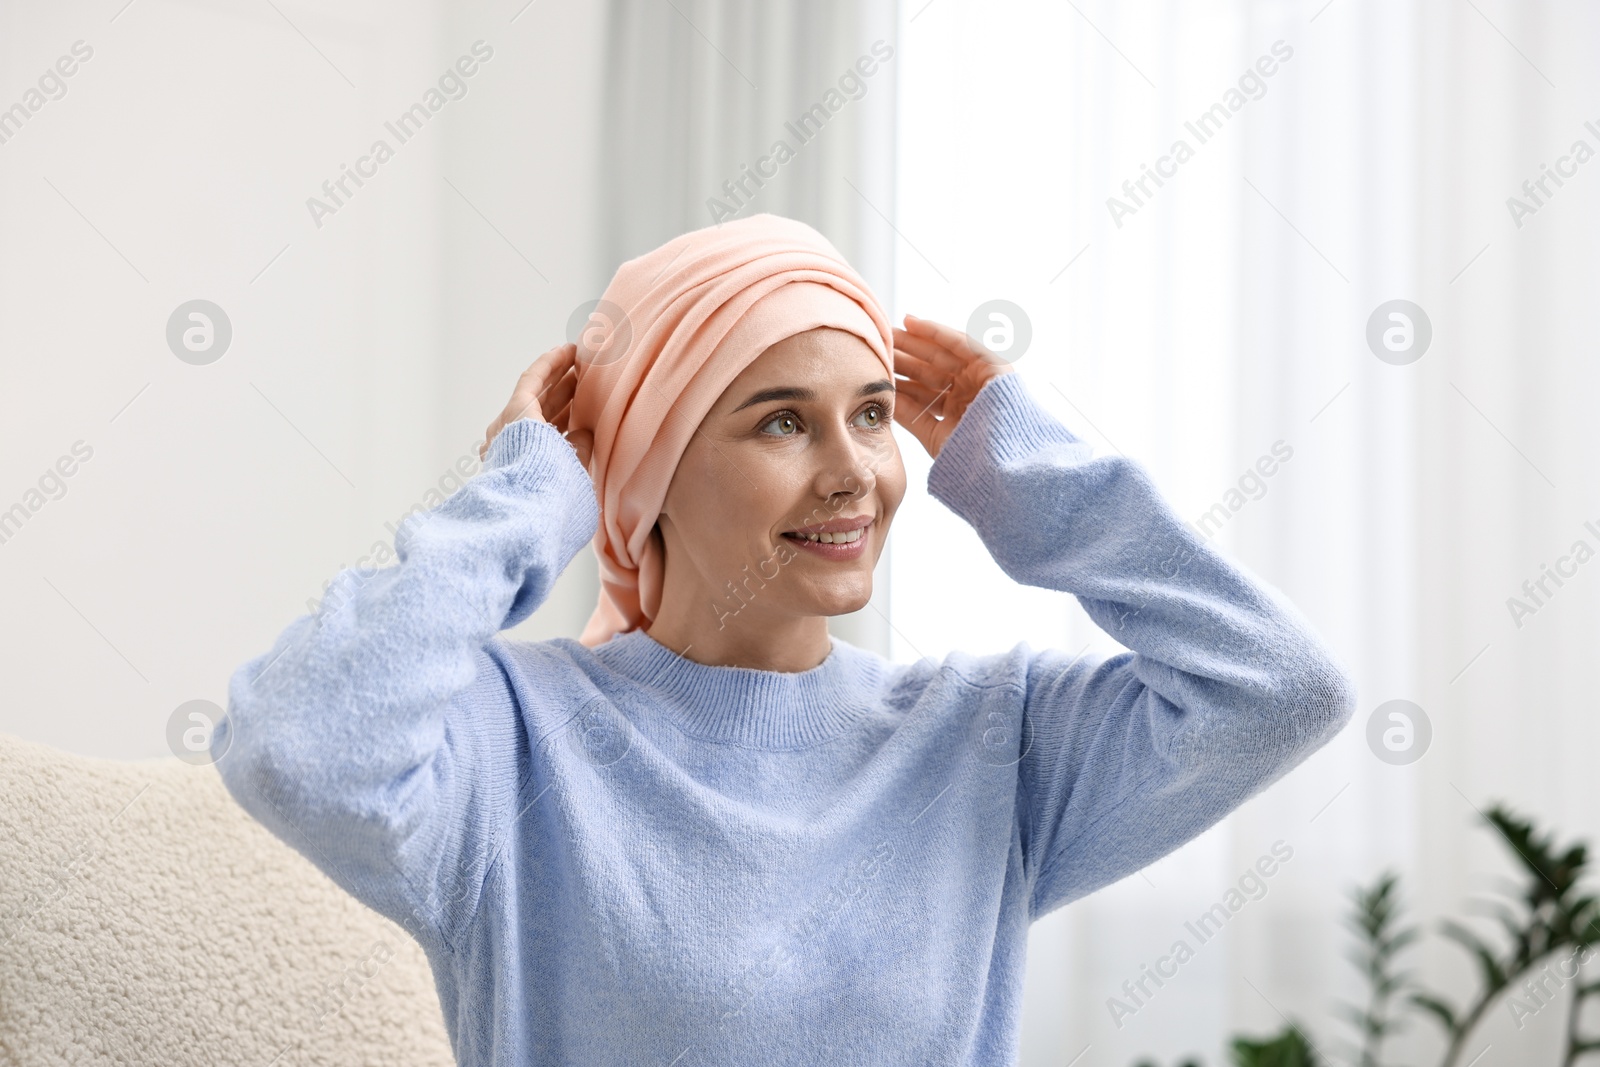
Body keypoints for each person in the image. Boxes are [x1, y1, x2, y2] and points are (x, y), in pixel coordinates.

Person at [214, 213, 1356, 1065]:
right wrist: (523, 499)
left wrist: (1028, 476)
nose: (855, 468)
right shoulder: (512, 746)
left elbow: (1280, 686)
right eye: (781, 421)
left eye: (869, 411)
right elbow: (294, 747)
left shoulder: (986, 743)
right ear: (650, 466)